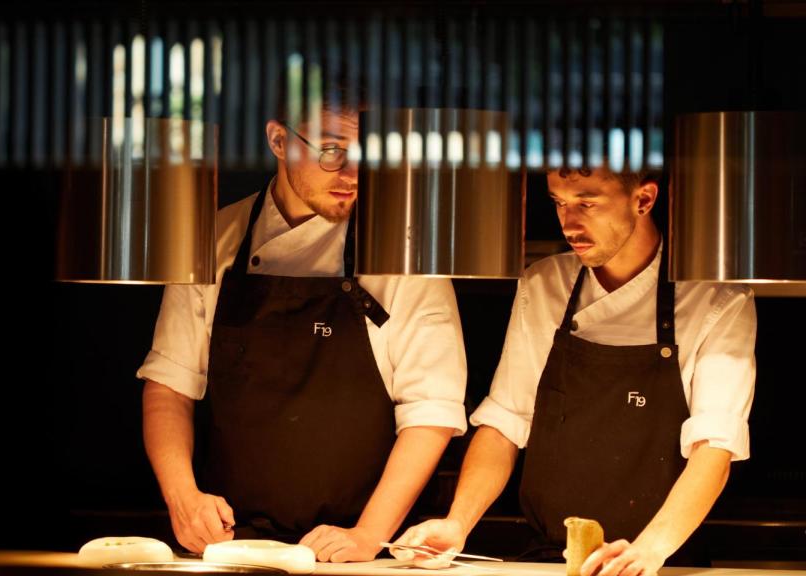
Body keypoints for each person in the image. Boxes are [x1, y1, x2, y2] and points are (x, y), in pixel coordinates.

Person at [137, 100, 468, 562]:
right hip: (231, 546)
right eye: (332, 151)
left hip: (360, 549)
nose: (352, 174)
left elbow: (431, 411)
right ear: (279, 140)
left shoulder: (404, 251)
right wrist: (184, 499)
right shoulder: (214, 239)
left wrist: (367, 534)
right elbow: (169, 385)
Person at [394, 167, 756, 576]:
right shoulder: (545, 284)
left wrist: (649, 550)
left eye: (587, 203)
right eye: (559, 203)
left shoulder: (716, 300)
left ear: (644, 199)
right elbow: (505, 422)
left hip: (661, 561)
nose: (569, 223)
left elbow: (714, 448)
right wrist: (458, 522)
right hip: (551, 558)